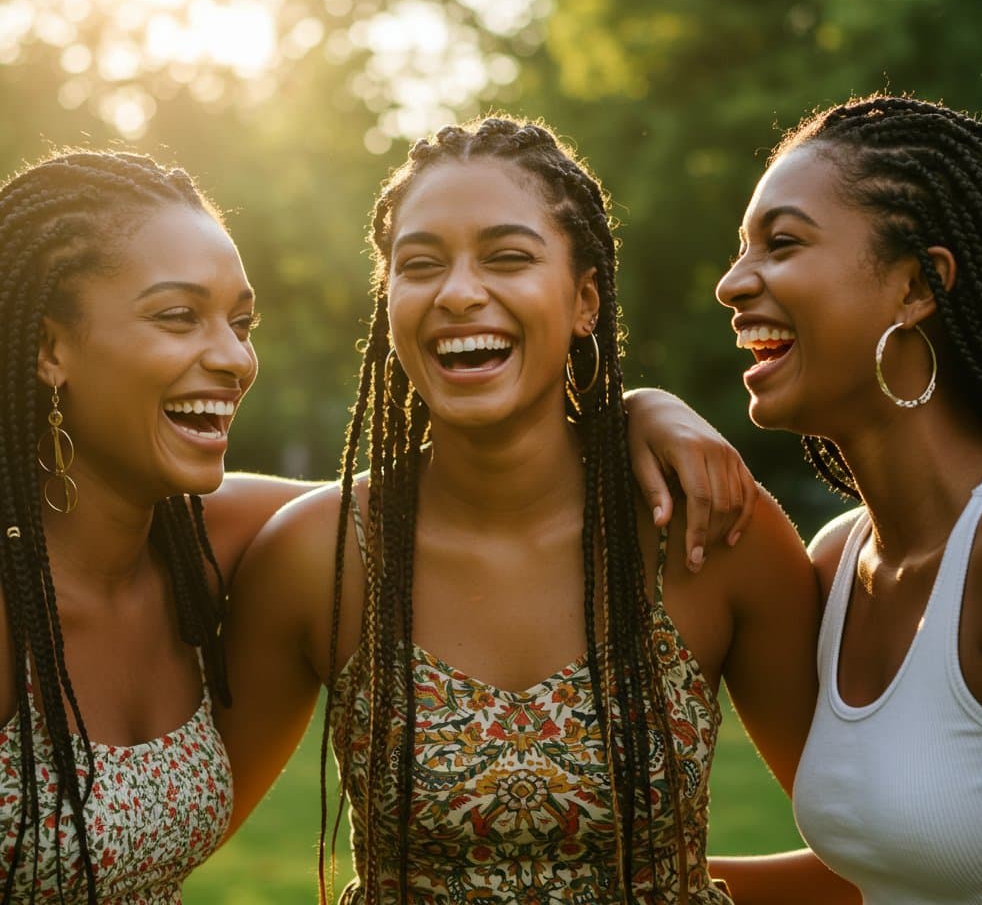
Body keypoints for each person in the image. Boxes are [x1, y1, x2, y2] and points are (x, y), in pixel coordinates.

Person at [0, 148, 756, 905]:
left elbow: (465, 496)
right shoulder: (280, 552)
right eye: (177, 316)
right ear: (48, 347)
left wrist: (634, 410)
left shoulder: (235, 534)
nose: (233, 358)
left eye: (241, 323)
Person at [218, 116, 820, 904]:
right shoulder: (320, 558)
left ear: (584, 301)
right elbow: (173, 834)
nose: (460, 292)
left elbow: (879, 841)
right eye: (421, 264)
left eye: (507, 257)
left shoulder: (709, 532)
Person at [704, 94, 982, 903]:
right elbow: (878, 878)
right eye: (743, 250)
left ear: (917, 286)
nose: (732, 283)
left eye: (780, 244)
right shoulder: (838, 560)